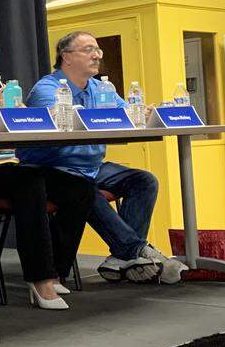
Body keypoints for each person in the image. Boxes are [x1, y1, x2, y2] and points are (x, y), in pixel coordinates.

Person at [0, 20, 94, 310]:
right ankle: (40, 280)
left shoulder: (0, 87)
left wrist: (42, 117)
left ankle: (57, 270)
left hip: (11, 164)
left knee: (79, 188)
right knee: (29, 181)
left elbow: (21, 129)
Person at [16, 30, 186, 285]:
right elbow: (64, 122)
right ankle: (139, 253)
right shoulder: (48, 88)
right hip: (54, 169)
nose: (96, 55)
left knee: (144, 180)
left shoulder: (101, 87)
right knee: (84, 190)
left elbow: (127, 114)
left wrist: (145, 111)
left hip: (91, 166)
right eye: (88, 50)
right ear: (67, 57)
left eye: (98, 50)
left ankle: (122, 257)